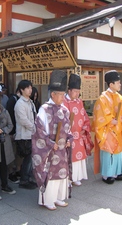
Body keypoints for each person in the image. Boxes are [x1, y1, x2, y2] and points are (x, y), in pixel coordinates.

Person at [32, 70, 73, 210]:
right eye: (60, 95)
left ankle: (59, 197)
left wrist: (69, 139)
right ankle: (47, 200)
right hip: (50, 149)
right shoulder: (44, 109)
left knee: (62, 173)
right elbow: (38, 130)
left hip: (62, 149)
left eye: (63, 94)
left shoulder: (65, 109)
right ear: (52, 94)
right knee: (50, 173)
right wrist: (50, 144)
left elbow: (68, 128)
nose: (63, 97)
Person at [92, 70, 122, 184]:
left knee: (118, 150)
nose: (120, 85)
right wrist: (109, 121)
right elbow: (99, 114)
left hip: (117, 129)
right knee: (108, 149)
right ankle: (107, 174)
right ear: (111, 84)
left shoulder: (120, 97)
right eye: (118, 82)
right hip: (107, 130)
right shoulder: (102, 98)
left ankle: (117, 171)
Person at [63, 74, 93, 186]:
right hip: (69, 136)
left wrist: (84, 128)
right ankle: (68, 179)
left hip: (79, 134)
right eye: (75, 91)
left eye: (78, 91)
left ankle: (76, 177)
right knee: (69, 157)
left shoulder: (79, 101)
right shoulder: (64, 101)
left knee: (78, 157)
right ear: (69, 91)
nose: (77, 94)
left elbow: (84, 115)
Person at [14, 80, 37, 190]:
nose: (30, 90)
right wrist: (34, 128)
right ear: (22, 90)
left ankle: (27, 178)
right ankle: (24, 179)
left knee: (30, 158)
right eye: (28, 88)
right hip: (24, 135)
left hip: (31, 134)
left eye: (31, 88)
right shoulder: (20, 103)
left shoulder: (30, 102)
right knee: (27, 158)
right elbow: (23, 120)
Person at [5, 87, 22, 184]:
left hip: (17, 131)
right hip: (12, 132)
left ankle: (16, 171)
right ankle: (11, 173)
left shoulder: (21, 101)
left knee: (17, 153)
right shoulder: (13, 100)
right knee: (12, 152)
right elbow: (11, 116)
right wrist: (11, 131)